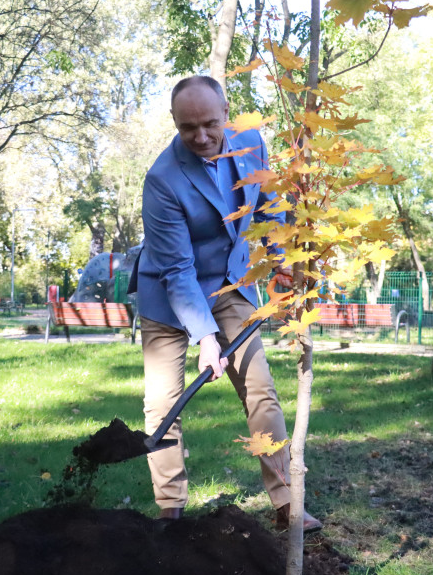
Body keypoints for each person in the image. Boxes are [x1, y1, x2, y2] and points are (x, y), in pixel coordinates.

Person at [134, 75, 321, 532]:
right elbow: (177, 271)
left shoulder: (251, 141)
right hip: (168, 297)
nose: (200, 137)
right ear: (175, 124)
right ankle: (171, 510)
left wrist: (282, 262)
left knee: (260, 391)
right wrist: (205, 337)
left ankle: (285, 503)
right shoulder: (162, 180)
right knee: (163, 405)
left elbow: (270, 206)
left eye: (210, 124)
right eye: (187, 128)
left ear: (226, 112)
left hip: (230, 286)